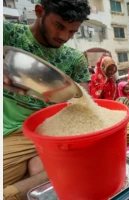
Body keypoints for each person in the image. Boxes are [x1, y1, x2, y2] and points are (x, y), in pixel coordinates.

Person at [2, 1, 91, 199]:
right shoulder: (8, 34)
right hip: (13, 132)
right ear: (40, 11)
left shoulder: (75, 58)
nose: (64, 37)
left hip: (55, 132)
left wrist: (73, 102)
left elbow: (84, 99)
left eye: (72, 32)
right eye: (59, 26)